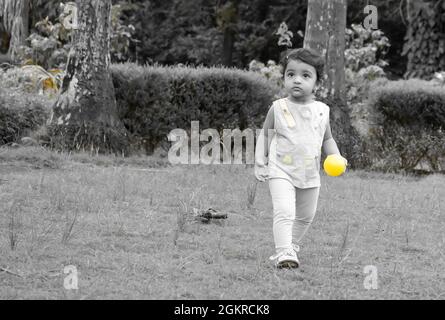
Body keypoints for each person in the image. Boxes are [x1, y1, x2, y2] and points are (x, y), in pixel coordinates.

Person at [254, 48, 348, 269]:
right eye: (291, 74)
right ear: (284, 77)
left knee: (306, 215)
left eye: (306, 75)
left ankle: (292, 245)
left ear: (317, 82)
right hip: (280, 169)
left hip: (309, 172)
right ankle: (283, 252)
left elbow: (327, 139)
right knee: (285, 210)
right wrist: (260, 161)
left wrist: (336, 156)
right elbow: (265, 135)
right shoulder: (278, 108)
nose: (297, 80)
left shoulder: (322, 111)